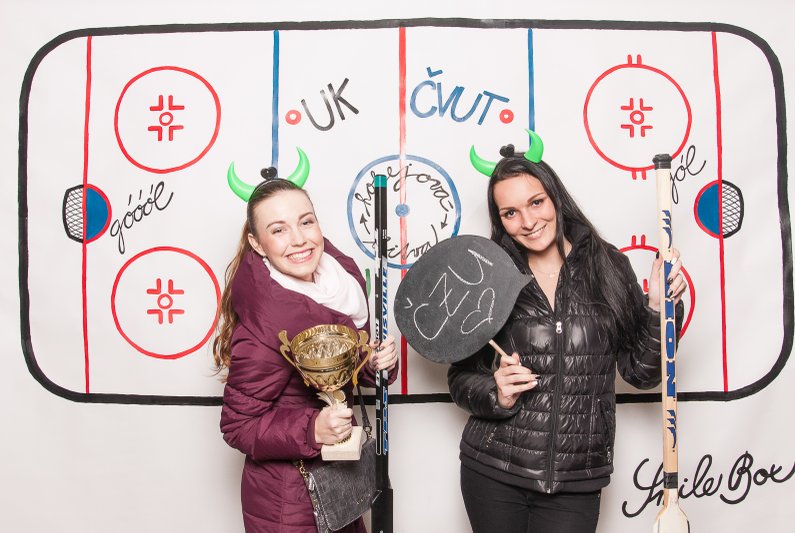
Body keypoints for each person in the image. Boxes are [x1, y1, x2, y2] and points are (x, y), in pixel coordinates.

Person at [448, 132, 686, 533]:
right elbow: (459, 378)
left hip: (577, 475)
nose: (528, 222)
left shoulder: (607, 265)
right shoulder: (490, 274)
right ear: (499, 220)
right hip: (494, 469)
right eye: (510, 213)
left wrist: (659, 310)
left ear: (555, 197)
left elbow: (642, 374)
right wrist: (496, 391)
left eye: (536, 202)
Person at [213, 172, 398, 533]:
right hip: (289, 503)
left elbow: (341, 365)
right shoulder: (267, 320)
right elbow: (238, 426)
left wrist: (374, 362)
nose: (299, 239)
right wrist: (312, 429)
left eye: (306, 222)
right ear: (257, 243)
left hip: (340, 484)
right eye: (278, 230)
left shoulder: (336, 284)